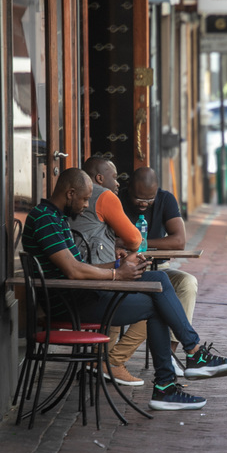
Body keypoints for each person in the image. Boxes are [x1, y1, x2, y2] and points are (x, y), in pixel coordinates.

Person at [22, 168, 227, 411]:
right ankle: (174, 377)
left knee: (157, 278)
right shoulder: (44, 218)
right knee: (157, 304)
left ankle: (188, 360)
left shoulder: (57, 218)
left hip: (80, 294)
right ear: (70, 193)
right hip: (70, 304)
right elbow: (74, 271)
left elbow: (78, 267)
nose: (86, 205)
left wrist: (120, 265)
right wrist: (117, 274)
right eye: (85, 199)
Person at [112, 167, 198, 380]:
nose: (143, 204)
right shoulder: (116, 200)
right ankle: (113, 359)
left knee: (187, 283)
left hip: (159, 268)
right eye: (138, 198)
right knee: (156, 301)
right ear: (128, 188)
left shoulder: (166, 199)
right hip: (127, 270)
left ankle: (168, 353)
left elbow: (179, 241)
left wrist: (139, 243)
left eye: (149, 200)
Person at [67, 157, 145, 386]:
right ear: (99, 178)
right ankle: (110, 362)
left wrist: (113, 247)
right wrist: (116, 268)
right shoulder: (103, 195)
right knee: (156, 299)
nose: (119, 182)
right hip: (90, 286)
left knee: (134, 291)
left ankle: (102, 361)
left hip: (87, 279)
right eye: (115, 176)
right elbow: (135, 239)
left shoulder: (66, 207)